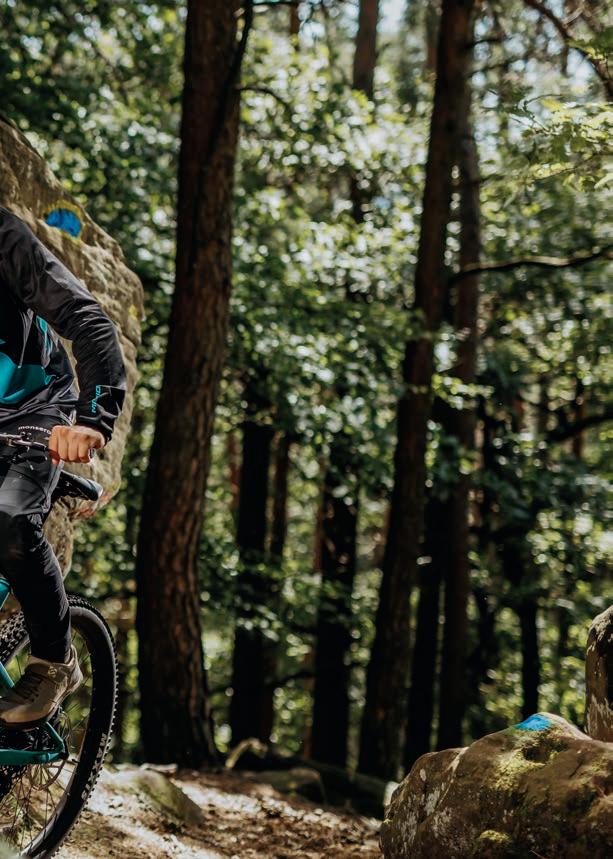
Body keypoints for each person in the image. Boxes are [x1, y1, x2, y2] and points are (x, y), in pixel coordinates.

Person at [0, 205, 126, 728]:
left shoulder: (4, 237)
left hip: (31, 411)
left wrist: (92, 420)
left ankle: (54, 661)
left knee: (8, 520)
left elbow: (87, 320)